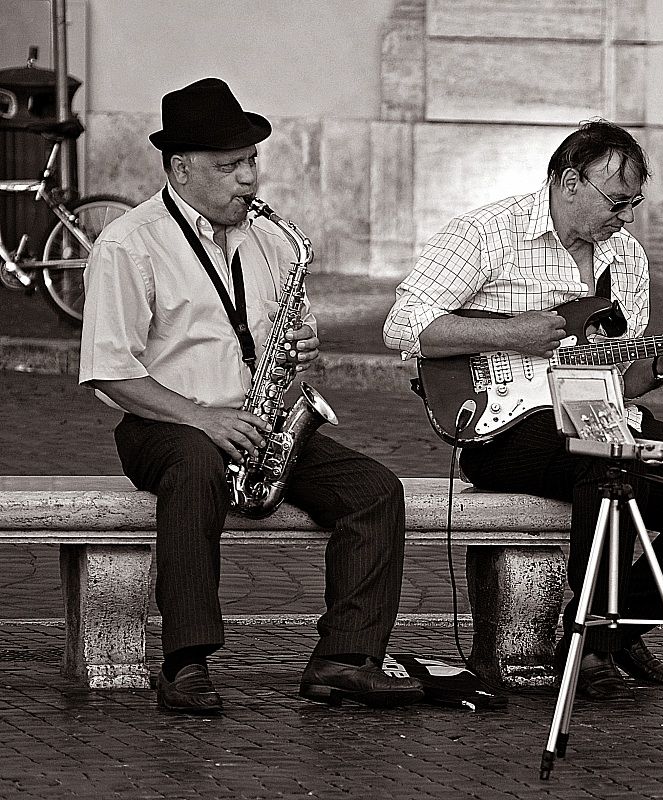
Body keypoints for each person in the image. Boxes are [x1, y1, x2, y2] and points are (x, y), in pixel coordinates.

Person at [383, 119, 663, 702]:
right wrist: (518, 333)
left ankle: (613, 628)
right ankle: (591, 644)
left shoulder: (627, 258)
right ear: (568, 182)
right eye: (617, 201)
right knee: (610, 461)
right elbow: (403, 326)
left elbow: (619, 378)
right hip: (502, 424)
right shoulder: (487, 233)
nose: (627, 216)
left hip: (597, 413)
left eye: (634, 203)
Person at [80, 77, 422, 715]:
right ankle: (186, 664)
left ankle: (345, 659)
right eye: (229, 166)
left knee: (376, 491)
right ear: (181, 168)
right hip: (162, 422)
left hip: (256, 422)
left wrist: (295, 360)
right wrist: (202, 418)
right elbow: (108, 372)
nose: (248, 180)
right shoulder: (129, 244)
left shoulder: (269, 242)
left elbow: (271, 348)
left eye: (252, 162)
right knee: (195, 466)